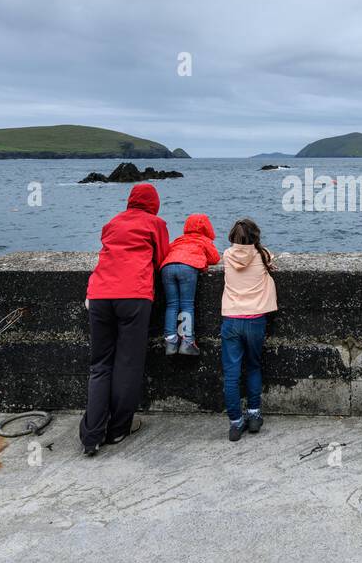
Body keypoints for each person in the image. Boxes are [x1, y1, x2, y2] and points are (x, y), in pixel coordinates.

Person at [79, 182, 169, 456]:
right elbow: (162, 259)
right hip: (133, 296)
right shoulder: (156, 223)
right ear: (154, 203)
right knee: (127, 364)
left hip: (99, 295)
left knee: (100, 365)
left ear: (130, 200)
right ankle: (118, 430)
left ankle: (91, 436)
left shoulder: (112, 222)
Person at [219, 218, 277, 441]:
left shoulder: (226, 255)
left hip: (232, 319)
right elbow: (269, 262)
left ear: (232, 237)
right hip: (255, 319)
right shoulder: (263, 255)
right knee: (253, 366)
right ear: (256, 236)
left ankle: (235, 423)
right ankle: (254, 415)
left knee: (231, 375)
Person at [159, 213, 220, 356]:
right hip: (187, 268)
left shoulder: (179, 240)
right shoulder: (203, 241)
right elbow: (215, 258)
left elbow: (167, 251)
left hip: (167, 267)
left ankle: (171, 342)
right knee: (186, 305)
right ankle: (187, 342)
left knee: (172, 305)